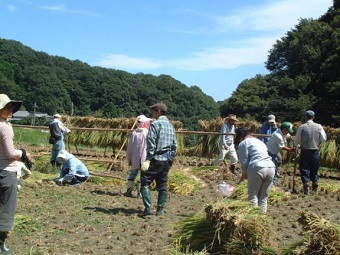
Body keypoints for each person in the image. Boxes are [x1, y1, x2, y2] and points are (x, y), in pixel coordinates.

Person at [0, 93, 30, 255]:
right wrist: (23, 153)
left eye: (11, 107)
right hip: (6, 172)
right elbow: (11, 153)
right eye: (7, 107)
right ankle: (0, 246)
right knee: (6, 209)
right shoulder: (4, 127)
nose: (11, 110)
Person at [140, 103, 177, 216]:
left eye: (153, 111)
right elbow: (175, 145)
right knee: (162, 184)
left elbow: (151, 143)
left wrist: (148, 159)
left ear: (158, 111)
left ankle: (148, 208)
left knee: (145, 182)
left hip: (156, 158)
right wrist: (170, 159)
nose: (152, 113)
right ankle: (160, 210)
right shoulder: (171, 126)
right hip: (167, 160)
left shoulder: (155, 124)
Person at [236, 127, 275, 213]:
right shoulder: (260, 142)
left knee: (253, 196)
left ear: (240, 136)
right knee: (263, 197)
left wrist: (244, 175)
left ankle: (254, 220)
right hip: (271, 167)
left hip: (257, 167)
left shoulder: (243, 143)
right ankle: (262, 218)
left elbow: (244, 161)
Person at [294, 110, 327, 194]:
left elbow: (296, 140)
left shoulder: (302, 127)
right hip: (315, 151)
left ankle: (306, 184)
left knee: (304, 169)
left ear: (305, 117)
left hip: (305, 151)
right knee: (314, 169)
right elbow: (323, 139)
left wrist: (297, 145)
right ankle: (315, 184)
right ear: (313, 117)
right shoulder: (319, 126)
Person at [124, 115, 152, 197]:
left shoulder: (134, 133)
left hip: (134, 158)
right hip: (144, 157)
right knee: (142, 175)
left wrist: (129, 158)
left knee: (132, 174)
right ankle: (140, 193)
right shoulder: (147, 133)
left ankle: (129, 191)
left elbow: (130, 147)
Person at [267, 122, 295, 186]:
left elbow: (288, 136)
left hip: (275, 151)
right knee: (273, 167)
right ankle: (274, 184)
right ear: (284, 129)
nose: (288, 132)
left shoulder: (281, 132)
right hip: (271, 152)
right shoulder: (278, 135)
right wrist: (290, 150)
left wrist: (291, 137)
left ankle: (276, 173)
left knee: (279, 161)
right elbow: (282, 147)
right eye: (288, 131)